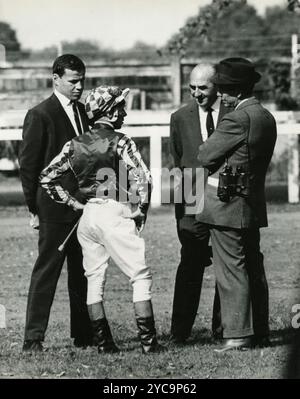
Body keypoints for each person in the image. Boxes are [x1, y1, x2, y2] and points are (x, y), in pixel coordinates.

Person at [39, 85, 164, 354]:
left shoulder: (74, 144)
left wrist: (74, 203)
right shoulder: (121, 140)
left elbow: (47, 177)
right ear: (111, 110)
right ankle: (149, 344)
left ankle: (105, 344)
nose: (125, 111)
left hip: (88, 217)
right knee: (140, 276)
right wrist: (141, 209)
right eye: (121, 106)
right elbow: (143, 178)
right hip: (114, 212)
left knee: (94, 279)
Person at [197, 57, 277, 352]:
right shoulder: (265, 116)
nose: (221, 95)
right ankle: (260, 331)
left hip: (227, 207)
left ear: (236, 91)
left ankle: (238, 334)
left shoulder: (235, 119)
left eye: (225, 90)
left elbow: (205, 155)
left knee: (231, 270)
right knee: (253, 267)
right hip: (251, 204)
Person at [19, 54, 93, 351]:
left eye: (82, 81)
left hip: (84, 209)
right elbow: (29, 166)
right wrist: (34, 208)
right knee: (47, 272)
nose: (78, 87)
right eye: (73, 81)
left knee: (83, 271)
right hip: (52, 208)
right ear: (56, 79)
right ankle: (33, 338)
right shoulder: (40, 114)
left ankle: (84, 334)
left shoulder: (84, 113)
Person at [169, 63, 231, 343]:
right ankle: (180, 332)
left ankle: (224, 329)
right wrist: (182, 214)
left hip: (223, 200)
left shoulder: (234, 114)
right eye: (192, 88)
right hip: (191, 201)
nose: (196, 93)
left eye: (203, 88)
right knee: (190, 265)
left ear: (217, 86)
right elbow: (178, 163)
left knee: (225, 266)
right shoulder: (180, 117)